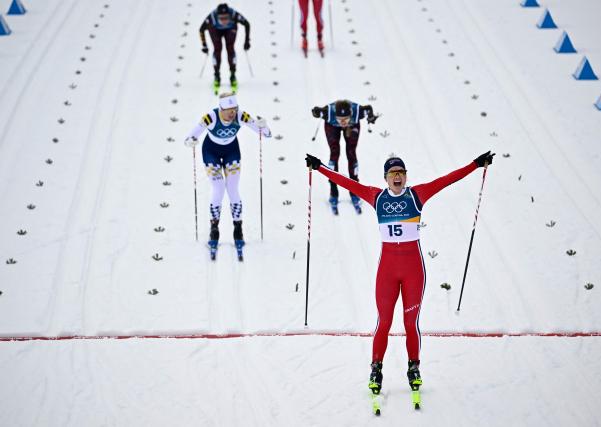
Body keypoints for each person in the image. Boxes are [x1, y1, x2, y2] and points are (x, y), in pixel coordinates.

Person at [304, 151, 495, 396]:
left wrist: (476, 164)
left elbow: (447, 180)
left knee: (410, 323)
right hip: (388, 271)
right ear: (386, 177)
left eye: (401, 173)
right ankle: (376, 368)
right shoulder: (377, 197)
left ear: (406, 177)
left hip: (413, 270)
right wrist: (320, 168)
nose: (398, 177)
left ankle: (413, 367)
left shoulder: (417, 195)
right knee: (383, 322)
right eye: (393, 173)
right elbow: (348, 183)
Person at [185, 93, 271, 256]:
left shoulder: (241, 116)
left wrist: (263, 126)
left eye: (234, 110)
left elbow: (266, 134)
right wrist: (190, 141)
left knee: (232, 189)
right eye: (229, 111)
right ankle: (214, 229)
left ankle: (238, 228)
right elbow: (190, 136)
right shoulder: (210, 117)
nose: (232, 114)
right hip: (211, 152)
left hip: (232, 151)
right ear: (221, 109)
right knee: (218, 188)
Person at [311, 99, 378, 213]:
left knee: (351, 153)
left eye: (345, 118)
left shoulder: (358, 112)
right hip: (332, 125)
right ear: (335, 116)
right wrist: (316, 112)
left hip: (352, 125)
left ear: (350, 114)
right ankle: (333, 190)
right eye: (340, 119)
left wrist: (371, 117)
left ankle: (354, 190)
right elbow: (316, 112)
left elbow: (369, 108)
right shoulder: (329, 113)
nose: (343, 122)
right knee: (334, 153)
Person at [199, 3, 250, 94]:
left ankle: (233, 75)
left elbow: (247, 24)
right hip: (215, 29)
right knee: (217, 49)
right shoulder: (212, 17)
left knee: (230, 49)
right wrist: (204, 45)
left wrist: (247, 41)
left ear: (229, 15)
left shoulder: (233, 14)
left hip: (230, 29)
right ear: (217, 16)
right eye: (221, 18)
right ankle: (217, 75)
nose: (224, 21)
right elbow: (201, 29)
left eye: (226, 18)